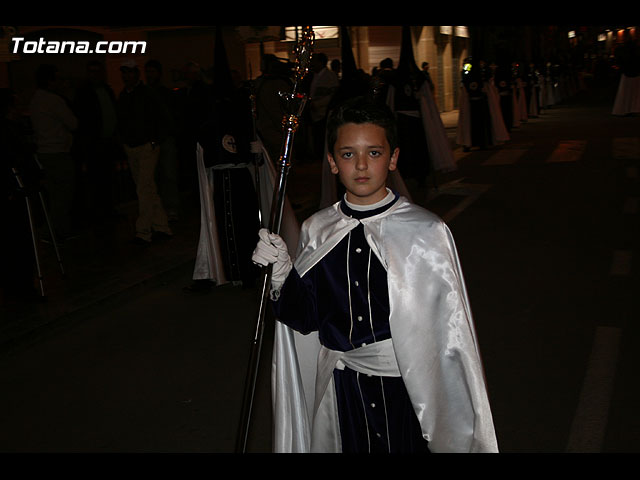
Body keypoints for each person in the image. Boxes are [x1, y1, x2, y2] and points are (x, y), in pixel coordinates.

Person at [252, 97, 498, 453]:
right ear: (333, 163)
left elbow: (448, 338)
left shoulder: (425, 232)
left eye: (375, 153)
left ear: (393, 158)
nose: (362, 165)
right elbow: (305, 317)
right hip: (342, 392)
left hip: (406, 393)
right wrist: (280, 274)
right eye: (348, 154)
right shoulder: (318, 229)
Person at [117, 58, 172, 245]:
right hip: (132, 147)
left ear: (136, 74)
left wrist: (155, 140)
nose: (127, 76)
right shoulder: (124, 95)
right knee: (147, 187)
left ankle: (143, 231)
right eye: (124, 72)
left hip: (147, 146)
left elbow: (163, 117)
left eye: (130, 72)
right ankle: (162, 226)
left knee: (143, 188)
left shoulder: (147, 94)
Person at [29, 64, 78, 241]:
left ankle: (60, 229)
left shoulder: (35, 99)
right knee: (64, 193)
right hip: (58, 151)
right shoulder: (54, 101)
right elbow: (73, 123)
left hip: (44, 152)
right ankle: (50, 229)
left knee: (56, 193)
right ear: (51, 81)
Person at [73, 60, 121, 222]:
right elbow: (83, 120)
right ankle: (99, 212)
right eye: (91, 71)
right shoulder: (84, 93)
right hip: (94, 144)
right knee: (96, 179)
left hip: (107, 142)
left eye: (97, 71)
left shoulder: (106, 90)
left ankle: (108, 209)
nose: (94, 75)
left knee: (108, 178)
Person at [144, 59, 181, 222]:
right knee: (153, 176)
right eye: (148, 72)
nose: (150, 75)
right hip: (151, 139)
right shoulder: (144, 93)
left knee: (168, 174)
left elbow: (171, 116)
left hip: (165, 139)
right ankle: (156, 210)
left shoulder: (165, 93)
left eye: (152, 72)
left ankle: (171, 207)